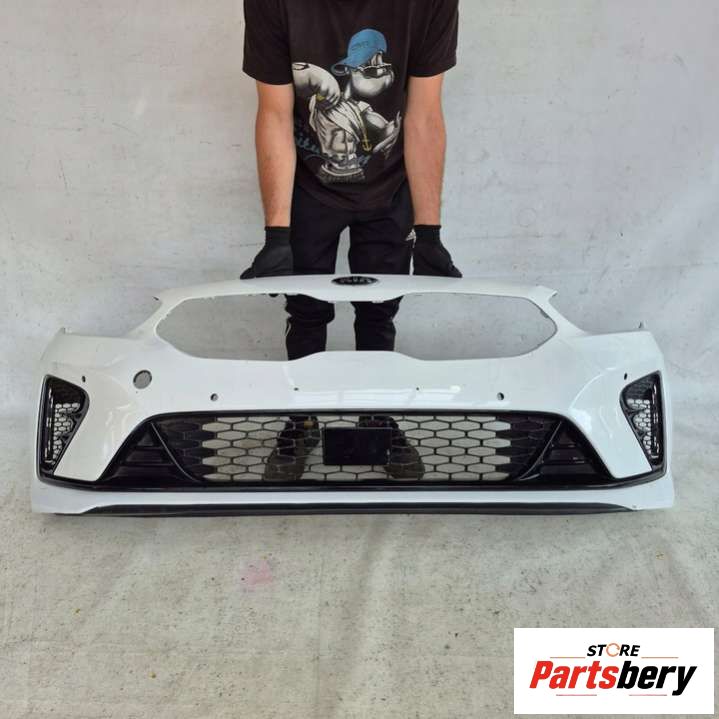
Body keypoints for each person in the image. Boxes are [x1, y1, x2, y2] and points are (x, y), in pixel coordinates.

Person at [241, 0, 462, 481]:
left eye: (379, 67)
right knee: (306, 310)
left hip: (390, 186)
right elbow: (274, 114)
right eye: (367, 67)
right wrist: (277, 234)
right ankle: (302, 418)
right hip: (308, 186)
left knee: (379, 310)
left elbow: (424, 115)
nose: (377, 72)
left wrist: (429, 231)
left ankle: (376, 417)